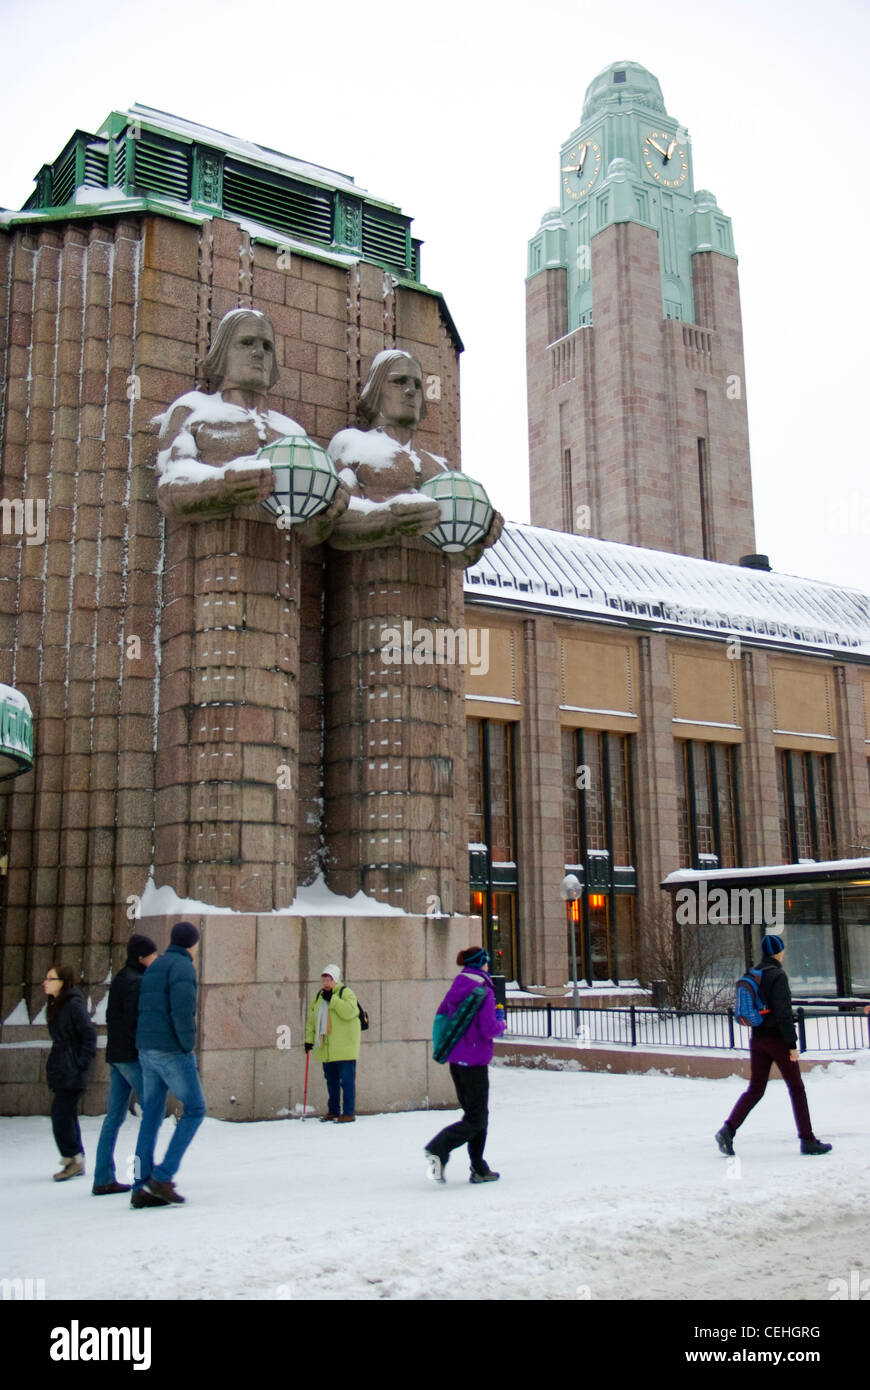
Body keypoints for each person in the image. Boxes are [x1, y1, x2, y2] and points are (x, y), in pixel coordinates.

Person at [154, 307, 347, 537]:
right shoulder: (193, 411)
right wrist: (224, 486)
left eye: (267, 346)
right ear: (223, 353)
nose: (258, 353)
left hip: (285, 562)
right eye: (246, 343)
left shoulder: (293, 433)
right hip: (213, 552)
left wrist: (326, 512)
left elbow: (308, 536)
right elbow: (168, 492)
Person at [328, 349, 502, 559]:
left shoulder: (440, 467)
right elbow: (331, 522)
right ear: (376, 389)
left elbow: (459, 556)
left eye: (417, 385)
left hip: (433, 586)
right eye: (399, 382)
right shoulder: (352, 444)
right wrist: (389, 518)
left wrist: (480, 534)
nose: (411, 390)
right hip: (368, 579)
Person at [715, 934, 832, 1157]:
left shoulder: (754, 974)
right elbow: (783, 1013)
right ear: (778, 952)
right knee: (797, 1088)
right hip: (777, 1040)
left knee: (755, 1089)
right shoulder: (777, 976)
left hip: (757, 1039)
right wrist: (792, 1045)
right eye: (782, 950)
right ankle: (808, 1140)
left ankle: (728, 1130)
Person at [130, 921, 207, 1208]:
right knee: (196, 1108)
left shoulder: (156, 966)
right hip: (172, 1050)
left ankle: (139, 1184)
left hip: (146, 1049)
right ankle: (162, 1176)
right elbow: (182, 1010)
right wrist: (187, 1045)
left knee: (150, 1115)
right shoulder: (183, 967)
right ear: (192, 944)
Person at [424, 946, 506, 1184]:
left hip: (456, 1061)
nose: (488, 965)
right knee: (477, 1119)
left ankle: (479, 1167)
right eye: (487, 962)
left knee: (476, 1114)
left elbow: (445, 1017)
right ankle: (439, 1148)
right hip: (475, 1061)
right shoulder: (484, 990)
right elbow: (489, 1028)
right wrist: (501, 1023)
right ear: (481, 963)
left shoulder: (458, 985)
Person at [91, 934, 158, 1196]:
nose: (156, 957)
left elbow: (113, 1018)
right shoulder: (137, 982)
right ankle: (146, 1176)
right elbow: (135, 1023)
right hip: (132, 1057)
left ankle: (102, 1177)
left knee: (114, 1117)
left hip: (117, 1056)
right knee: (152, 1112)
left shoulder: (122, 978)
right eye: (152, 954)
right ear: (141, 957)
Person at [43, 963, 97, 1182]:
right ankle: (76, 1157)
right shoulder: (57, 1004)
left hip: (72, 1069)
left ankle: (72, 1158)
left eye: (51, 979)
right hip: (62, 1068)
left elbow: (88, 1035)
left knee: (61, 1114)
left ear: (63, 983)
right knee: (67, 1114)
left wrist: (80, 1062)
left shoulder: (73, 1005)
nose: (45, 983)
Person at [305, 965, 361, 1123]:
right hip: (327, 1047)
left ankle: (349, 1112)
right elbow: (312, 1020)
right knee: (331, 1081)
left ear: (336, 980)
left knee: (347, 1081)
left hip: (345, 1047)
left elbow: (351, 1011)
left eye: (329, 980)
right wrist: (309, 1040)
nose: (326, 983)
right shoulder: (319, 996)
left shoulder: (345, 993)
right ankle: (334, 1110)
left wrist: (333, 1000)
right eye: (324, 980)